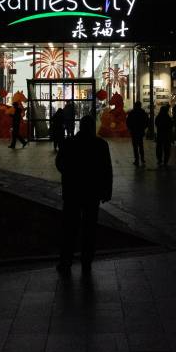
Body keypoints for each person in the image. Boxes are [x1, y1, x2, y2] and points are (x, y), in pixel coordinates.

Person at [56, 115, 112, 274]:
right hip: (92, 192)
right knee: (89, 228)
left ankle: (66, 261)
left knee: (69, 227)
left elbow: (59, 163)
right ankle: (86, 260)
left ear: (80, 127)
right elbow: (107, 169)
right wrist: (106, 191)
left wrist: (69, 175)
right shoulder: (100, 145)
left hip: (72, 191)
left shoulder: (69, 143)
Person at [126, 100, 149, 165]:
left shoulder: (132, 113)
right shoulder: (143, 112)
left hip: (134, 131)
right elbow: (147, 121)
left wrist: (130, 128)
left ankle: (137, 160)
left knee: (135, 147)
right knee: (141, 146)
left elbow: (128, 121)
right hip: (140, 131)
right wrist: (144, 128)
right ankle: (142, 159)